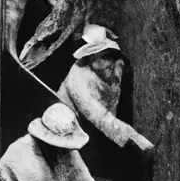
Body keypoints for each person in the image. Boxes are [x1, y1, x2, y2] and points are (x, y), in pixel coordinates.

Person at [57, 25, 154, 154]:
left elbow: (116, 92)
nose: (108, 66)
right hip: (73, 123)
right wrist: (138, 140)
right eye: (100, 56)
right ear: (91, 57)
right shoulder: (77, 80)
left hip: (105, 122)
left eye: (106, 54)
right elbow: (99, 117)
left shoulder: (115, 63)